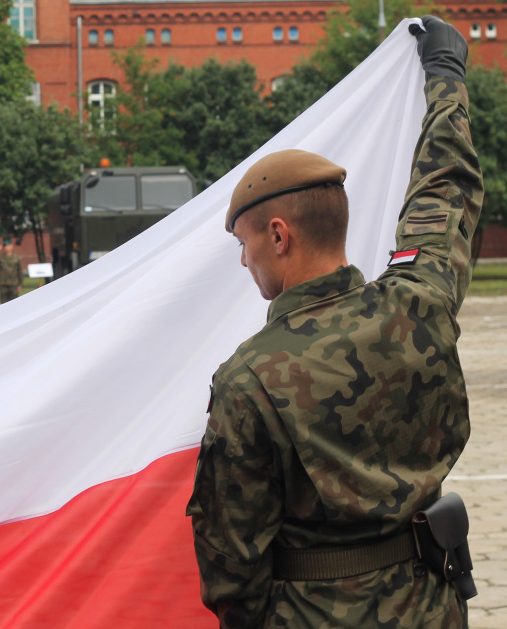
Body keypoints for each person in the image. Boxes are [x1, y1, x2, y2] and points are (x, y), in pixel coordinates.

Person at [185, 17, 481, 627]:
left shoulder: (249, 379)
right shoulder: (418, 303)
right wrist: (446, 77)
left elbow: (233, 570)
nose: (244, 260)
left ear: (278, 234)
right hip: (432, 608)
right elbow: (445, 191)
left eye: (244, 243)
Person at [0, 239, 24, 304]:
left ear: (11, 246)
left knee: (15, 304)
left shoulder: (16, 258)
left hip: (14, 285)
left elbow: (20, 272)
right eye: (5, 246)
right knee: (3, 305)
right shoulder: (0, 257)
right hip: (3, 285)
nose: (6, 247)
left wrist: (20, 284)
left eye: (8, 245)